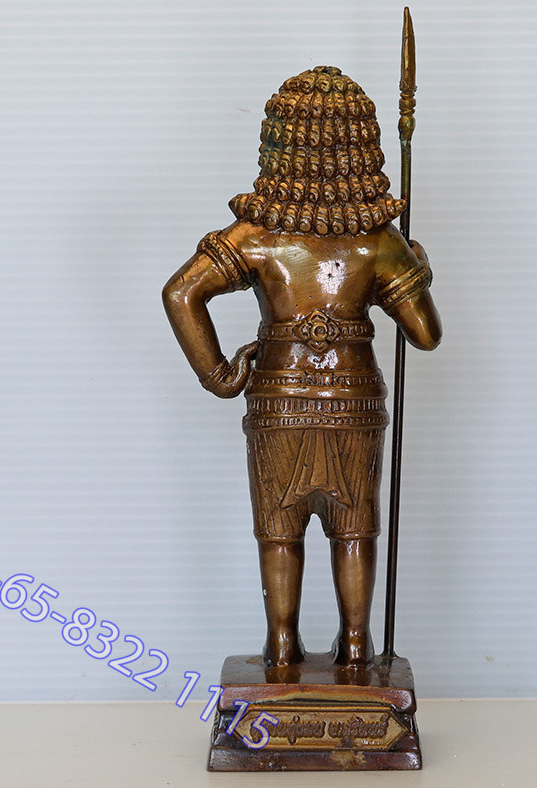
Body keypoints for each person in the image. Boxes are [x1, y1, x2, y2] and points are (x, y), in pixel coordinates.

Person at [163, 66, 441, 668]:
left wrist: (219, 375)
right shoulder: (378, 241)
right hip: (353, 400)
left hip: (278, 398)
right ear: (362, 143)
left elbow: (182, 292)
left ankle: (282, 648)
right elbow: (426, 335)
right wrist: (417, 268)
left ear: (279, 141)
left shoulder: (257, 235)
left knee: (279, 530)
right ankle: (357, 648)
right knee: (354, 529)